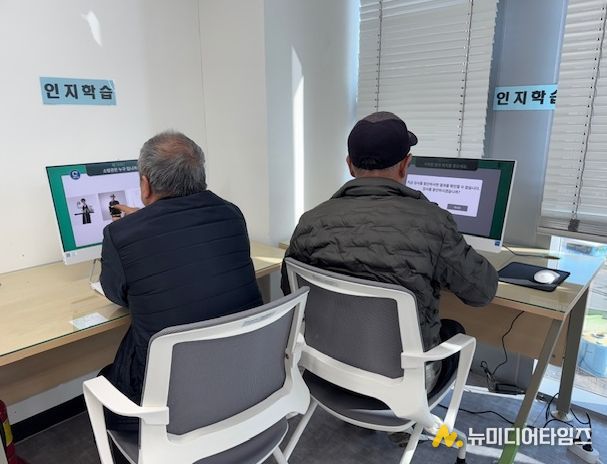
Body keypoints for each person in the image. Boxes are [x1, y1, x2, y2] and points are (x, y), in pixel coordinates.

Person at [281, 111, 498, 393]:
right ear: (406, 165)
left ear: (350, 165)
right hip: (402, 384)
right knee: (453, 328)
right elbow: (482, 292)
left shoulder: (310, 221)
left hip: (326, 369)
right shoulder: (434, 223)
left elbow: (290, 289)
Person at [100, 130, 263, 432]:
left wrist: (138, 228)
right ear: (200, 176)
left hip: (170, 400)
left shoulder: (120, 235)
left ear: (145, 185)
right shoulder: (231, 214)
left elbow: (116, 294)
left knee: (109, 377)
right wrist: (147, 221)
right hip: (243, 375)